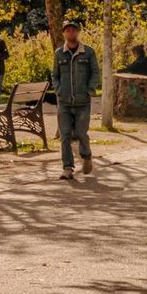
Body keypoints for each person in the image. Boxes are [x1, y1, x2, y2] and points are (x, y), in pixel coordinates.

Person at [53, 20, 101, 180]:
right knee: (65, 135)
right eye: (67, 30)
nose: (70, 33)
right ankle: (67, 168)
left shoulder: (88, 52)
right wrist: (58, 90)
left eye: (73, 30)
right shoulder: (59, 53)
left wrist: (89, 90)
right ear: (63, 33)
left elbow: (95, 73)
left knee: (81, 134)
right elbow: (55, 75)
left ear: (78, 32)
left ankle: (86, 156)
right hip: (64, 103)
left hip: (82, 103)